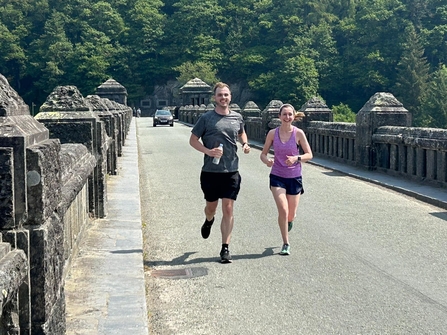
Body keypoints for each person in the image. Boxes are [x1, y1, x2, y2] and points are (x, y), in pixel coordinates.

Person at [189, 82, 251, 263]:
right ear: (214, 98)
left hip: (231, 170)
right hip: (210, 171)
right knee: (211, 208)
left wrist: (245, 144)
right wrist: (208, 152)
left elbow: (241, 133)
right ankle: (209, 220)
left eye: (226, 95)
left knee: (229, 208)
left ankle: (225, 248)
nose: (223, 98)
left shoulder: (237, 117)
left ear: (230, 96)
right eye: (220, 95)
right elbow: (193, 140)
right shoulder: (206, 118)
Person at [260, 103, 313, 255]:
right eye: (284, 114)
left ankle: (289, 221)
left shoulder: (298, 133)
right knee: (283, 210)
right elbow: (263, 154)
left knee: (291, 214)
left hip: (294, 177)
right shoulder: (272, 134)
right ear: (279, 116)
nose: (287, 117)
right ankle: (285, 243)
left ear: (294, 116)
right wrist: (267, 161)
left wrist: (297, 158)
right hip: (277, 176)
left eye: (290, 114)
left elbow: (309, 154)